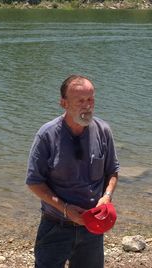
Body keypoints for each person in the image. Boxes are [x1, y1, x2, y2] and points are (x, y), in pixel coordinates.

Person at [26, 75, 120, 268]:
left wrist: (107, 196)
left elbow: (112, 171)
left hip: (92, 227)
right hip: (55, 226)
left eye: (90, 99)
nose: (87, 106)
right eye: (80, 101)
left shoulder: (103, 130)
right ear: (64, 103)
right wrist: (66, 209)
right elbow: (34, 182)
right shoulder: (47, 135)